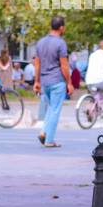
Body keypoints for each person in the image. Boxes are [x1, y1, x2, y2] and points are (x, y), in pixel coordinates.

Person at [33, 15, 71, 148]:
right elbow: (64, 66)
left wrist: (36, 81)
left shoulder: (40, 42)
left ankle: (44, 132)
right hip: (57, 81)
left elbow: (37, 64)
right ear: (61, 28)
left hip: (44, 81)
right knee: (55, 110)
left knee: (50, 108)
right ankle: (49, 139)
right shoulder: (61, 43)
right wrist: (69, 83)